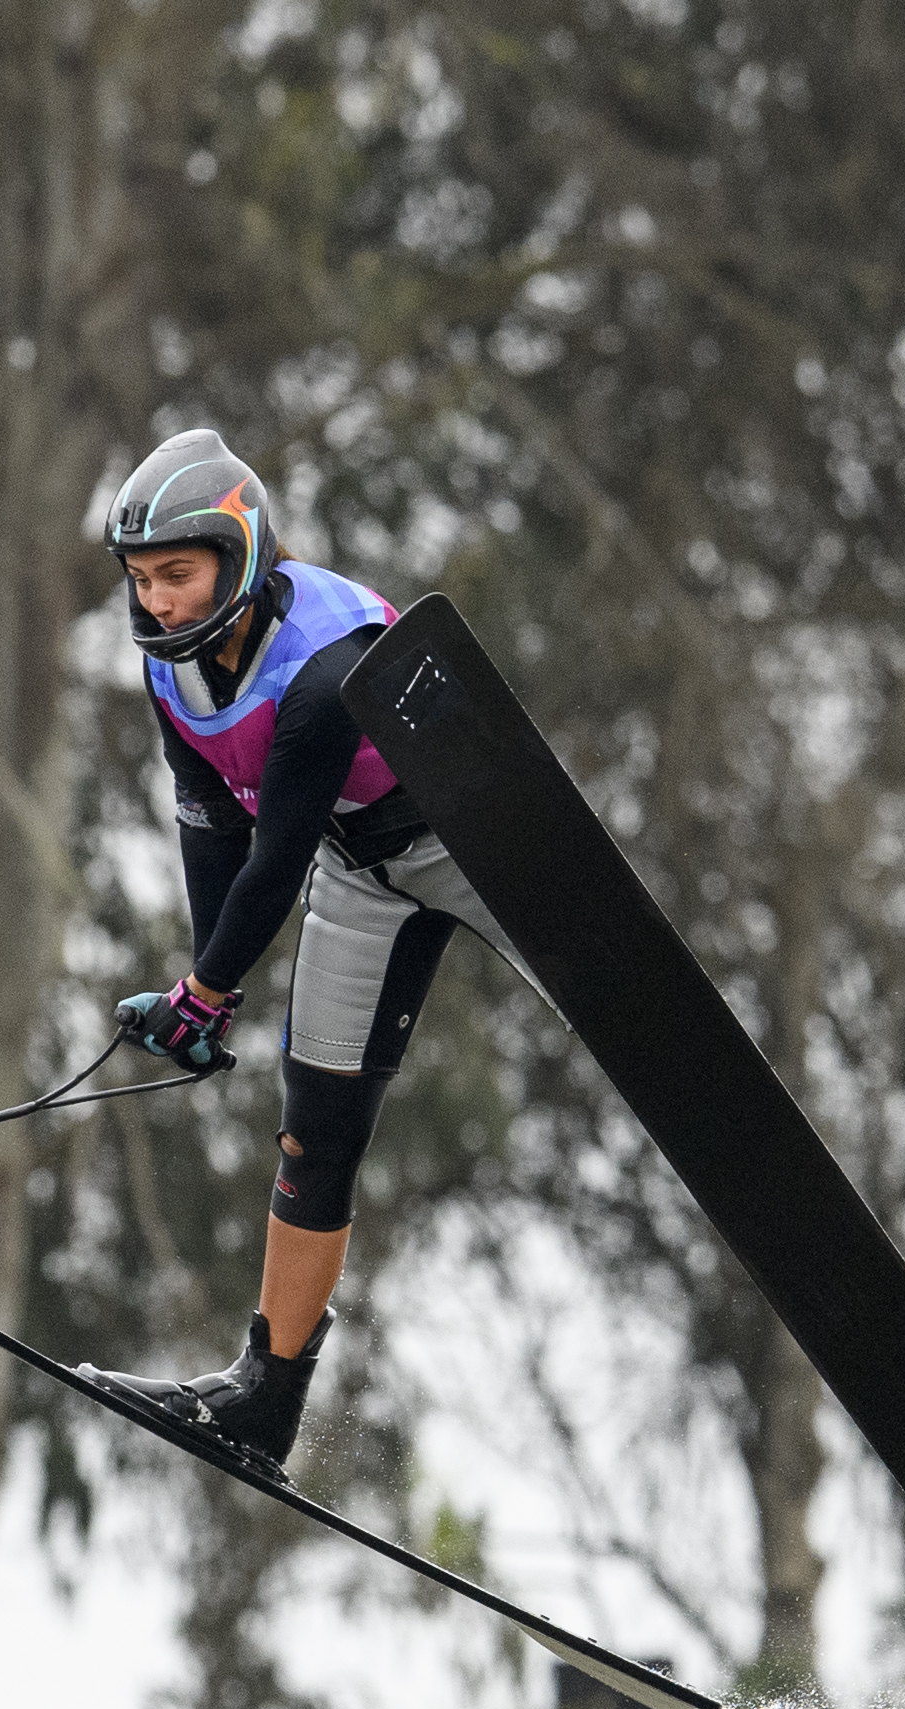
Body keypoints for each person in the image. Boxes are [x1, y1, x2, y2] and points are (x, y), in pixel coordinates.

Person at [78, 428, 552, 1476]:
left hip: (476, 842)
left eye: (177, 575)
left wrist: (199, 996)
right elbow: (212, 824)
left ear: (239, 557)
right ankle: (264, 1394)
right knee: (314, 1136)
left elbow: (274, 855)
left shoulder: (325, 667)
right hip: (362, 866)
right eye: (142, 579)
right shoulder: (175, 673)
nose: (155, 601)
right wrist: (211, 986)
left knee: (620, 1022)